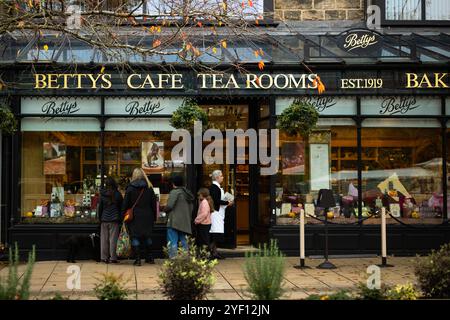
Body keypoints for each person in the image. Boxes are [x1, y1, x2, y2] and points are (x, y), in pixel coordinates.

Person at [122, 168, 157, 266]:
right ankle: (150, 257)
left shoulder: (130, 188)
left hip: (135, 217)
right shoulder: (149, 187)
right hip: (147, 216)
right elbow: (153, 204)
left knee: (135, 237)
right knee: (147, 236)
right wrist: (154, 217)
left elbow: (125, 204)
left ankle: (138, 260)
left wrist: (122, 216)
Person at [164, 175, 195, 258]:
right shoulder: (187, 193)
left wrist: (163, 209)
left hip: (174, 221)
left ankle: (174, 260)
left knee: (172, 241)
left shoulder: (175, 192)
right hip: (185, 221)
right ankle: (185, 259)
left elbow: (170, 206)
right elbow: (191, 208)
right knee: (184, 242)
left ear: (173, 183)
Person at [98, 176, 123, 264]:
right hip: (114, 219)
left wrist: (100, 218)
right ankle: (113, 258)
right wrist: (121, 217)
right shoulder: (117, 194)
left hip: (104, 219)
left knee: (104, 239)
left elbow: (100, 207)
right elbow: (121, 207)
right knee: (113, 239)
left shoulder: (102, 194)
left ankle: (104, 257)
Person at [209, 170, 233, 259]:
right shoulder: (214, 187)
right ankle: (212, 252)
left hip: (219, 213)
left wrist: (226, 201)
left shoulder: (217, 187)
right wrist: (227, 203)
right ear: (217, 177)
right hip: (216, 214)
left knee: (217, 233)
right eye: (221, 176)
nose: (223, 177)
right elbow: (216, 200)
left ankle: (214, 252)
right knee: (215, 234)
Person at [194, 188, 214, 254]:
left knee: (204, 241)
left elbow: (204, 214)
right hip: (205, 223)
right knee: (204, 240)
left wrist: (196, 220)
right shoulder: (204, 201)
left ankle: (207, 255)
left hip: (203, 224)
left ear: (202, 194)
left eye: (199, 195)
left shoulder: (204, 202)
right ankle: (205, 254)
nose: (198, 196)